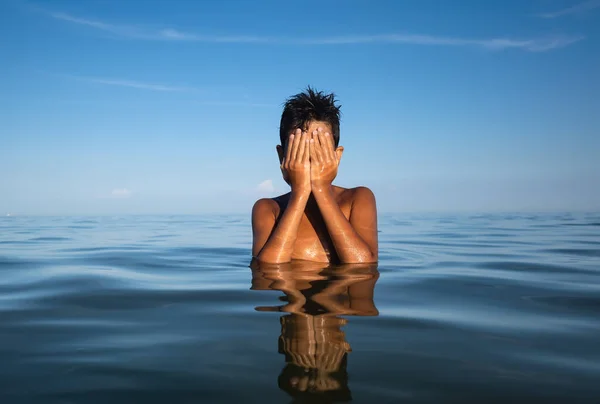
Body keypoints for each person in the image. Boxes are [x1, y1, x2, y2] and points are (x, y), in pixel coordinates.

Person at [251, 87, 378, 264]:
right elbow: (266, 271)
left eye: (319, 150)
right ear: (282, 156)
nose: (310, 159)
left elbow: (363, 266)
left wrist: (321, 189)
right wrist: (300, 192)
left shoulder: (357, 199)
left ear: (336, 156)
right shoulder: (268, 208)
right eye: (299, 151)